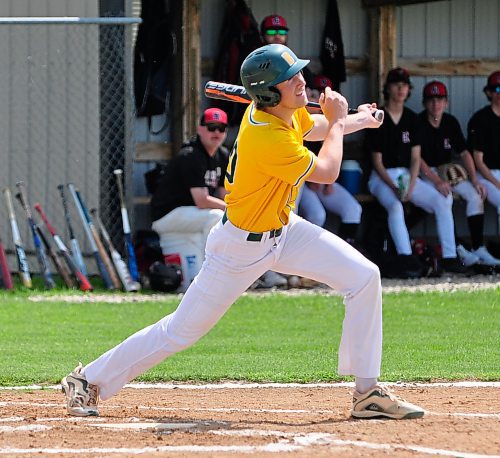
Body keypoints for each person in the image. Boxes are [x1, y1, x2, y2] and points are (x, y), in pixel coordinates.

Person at [61, 44, 424, 420]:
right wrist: (337, 120)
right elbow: (329, 169)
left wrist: (357, 119)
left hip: (285, 231)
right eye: (291, 78)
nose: (302, 81)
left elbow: (317, 128)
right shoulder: (266, 136)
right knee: (180, 332)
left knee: (364, 276)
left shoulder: (281, 112)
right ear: (269, 92)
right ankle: (88, 380)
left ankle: (367, 393)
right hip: (239, 248)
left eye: (299, 73)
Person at [365, 67, 467, 275]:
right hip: (382, 178)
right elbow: (377, 162)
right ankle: (405, 257)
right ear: (389, 88)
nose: (401, 89)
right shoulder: (377, 117)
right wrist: (395, 187)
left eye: (405, 85)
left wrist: (410, 185)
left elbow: (415, 158)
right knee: (395, 206)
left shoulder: (412, 119)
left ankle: (449, 256)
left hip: (405, 175)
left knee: (443, 199)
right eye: (397, 85)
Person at [418, 80, 500, 267]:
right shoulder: (418, 122)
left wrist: (474, 179)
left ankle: (478, 247)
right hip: (426, 174)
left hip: (447, 172)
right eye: (431, 99)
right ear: (424, 103)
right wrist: (437, 180)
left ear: (446, 102)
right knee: (444, 197)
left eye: (440, 99)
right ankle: (456, 250)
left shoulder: (450, 122)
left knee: (474, 195)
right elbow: (417, 158)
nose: (435, 104)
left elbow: (464, 153)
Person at [149, 108, 229, 286]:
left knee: (190, 283)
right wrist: (233, 210)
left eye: (221, 128)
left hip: (190, 218)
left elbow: (223, 195)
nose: (216, 132)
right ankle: (217, 273)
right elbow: (202, 201)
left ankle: (211, 278)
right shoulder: (191, 155)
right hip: (168, 215)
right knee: (217, 217)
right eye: (211, 127)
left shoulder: (223, 156)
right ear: (200, 129)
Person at [299, 75, 362, 245]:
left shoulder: (330, 121)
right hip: (301, 179)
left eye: (326, 96)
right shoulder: (296, 120)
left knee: (353, 208)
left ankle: (345, 253)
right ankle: (300, 264)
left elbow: (332, 158)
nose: (321, 100)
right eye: (316, 95)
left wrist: (365, 117)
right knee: (317, 214)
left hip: (320, 178)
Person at [467, 71, 500, 245]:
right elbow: (478, 160)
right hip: (487, 175)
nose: (499, 93)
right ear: (489, 92)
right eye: (496, 89)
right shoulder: (480, 119)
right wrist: (497, 183)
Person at [260, 14, 314, 88]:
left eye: (282, 32)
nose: (277, 36)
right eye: (271, 32)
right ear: (263, 35)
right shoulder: (254, 61)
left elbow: (311, 85)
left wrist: (311, 90)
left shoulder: (292, 59)